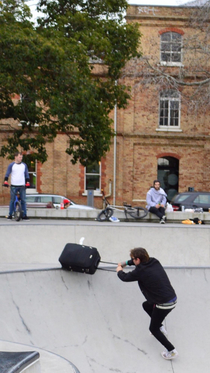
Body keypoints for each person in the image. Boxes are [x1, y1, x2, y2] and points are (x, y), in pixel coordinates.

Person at [116, 247, 178, 360]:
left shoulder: (140, 271)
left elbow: (124, 277)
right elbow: (136, 264)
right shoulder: (154, 261)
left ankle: (171, 350)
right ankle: (159, 326)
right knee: (146, 305)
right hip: (172, 298)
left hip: (163, 304)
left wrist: (119, 269)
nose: (132, 261)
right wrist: (125, 263)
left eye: (133, 259)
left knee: (153, 329)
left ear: (138, 259)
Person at [3, 151, 30, 220]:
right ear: (15, 157)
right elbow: (7, 174)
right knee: (12, 200)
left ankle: (24, 215)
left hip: (22, 186)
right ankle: (10, 214)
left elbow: (26, 174)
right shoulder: (11, 165)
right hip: (14, 186)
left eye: (21, 157)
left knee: (23, 200)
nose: (21, 158)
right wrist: (5, 181)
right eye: (19, 157)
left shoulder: (24, 165)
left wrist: (28, 182)